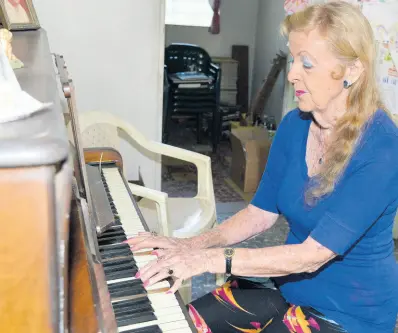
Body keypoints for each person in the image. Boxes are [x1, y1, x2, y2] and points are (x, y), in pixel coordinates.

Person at [125, 2, 398, 332]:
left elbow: (312, 255)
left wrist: (211, 259)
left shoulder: (382, 146)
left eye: (307, 63)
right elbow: (260, 214)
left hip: (347, 314)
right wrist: (190, 245)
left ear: (352, 71)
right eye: (293, 59)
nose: (293, 72)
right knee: (183, 324)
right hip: (287, 288)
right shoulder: (295, 125)